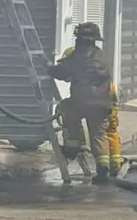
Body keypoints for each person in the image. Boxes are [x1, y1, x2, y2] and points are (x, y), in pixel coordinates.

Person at [48, 22, 115, 183]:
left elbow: (62, 72)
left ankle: (72, 148)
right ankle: (103, 169)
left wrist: (49, 68)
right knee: (99, 135)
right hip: (102, 104)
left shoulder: (78, 55)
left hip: (80, 101)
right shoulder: (101, 55)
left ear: (81, 40)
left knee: (65, 109)